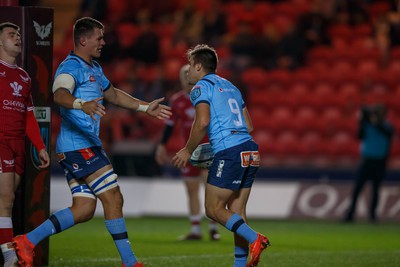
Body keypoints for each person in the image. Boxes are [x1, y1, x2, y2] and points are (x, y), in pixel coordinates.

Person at [12, 17, 172, 267]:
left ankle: (26, 242)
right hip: (78, 146)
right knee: (114, 197)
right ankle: (130, 263)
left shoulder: (94, 68)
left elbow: (113, 94)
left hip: (84, 146)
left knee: (84, 209)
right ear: (83, 40)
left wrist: (143, 107)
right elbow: (59, 94)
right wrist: (81, 104)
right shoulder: (70, 67)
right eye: (99, 37)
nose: (103, 42)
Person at [172, 44, 270, 267]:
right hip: (250, 150)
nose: (187, 70)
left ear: (198, 66)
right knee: (237, 212)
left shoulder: (200, 88)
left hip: (230, 151)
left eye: (190, 65)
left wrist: (188, 150)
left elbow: (202, 122)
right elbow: (249, 125)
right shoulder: (232, 87)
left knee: (213, 209)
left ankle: (255, 238)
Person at [0, 22, 50, 267]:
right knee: (6, 198)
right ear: (0, 42)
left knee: (6, 200)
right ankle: (9, 256)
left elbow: (29, 114)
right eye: (11, 35)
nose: (17, 37)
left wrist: (40, 146)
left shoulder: (24, 76)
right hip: (1, 140)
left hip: (19, 144)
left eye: (19, 34)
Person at [155, 64, 220, 241]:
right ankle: (196, 230)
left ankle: (214, 227)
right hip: (189, 152)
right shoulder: (177, 100)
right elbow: (170, 125)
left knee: (210, 188)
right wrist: (162, 145)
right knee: (191, 189)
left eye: (187, 74)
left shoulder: (207, 96)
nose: (186, 77)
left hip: (209, 150)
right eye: (182, 75)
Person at [343, 104, 394, 223]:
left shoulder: (387, 126)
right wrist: (361, 121)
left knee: (375, 189)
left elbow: (388, 134)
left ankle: (372, 215)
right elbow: (359, 136)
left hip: (380, 161)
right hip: (366, 160)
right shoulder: (367, 126)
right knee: (357, 189)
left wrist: (376, 123)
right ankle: (350, 214)